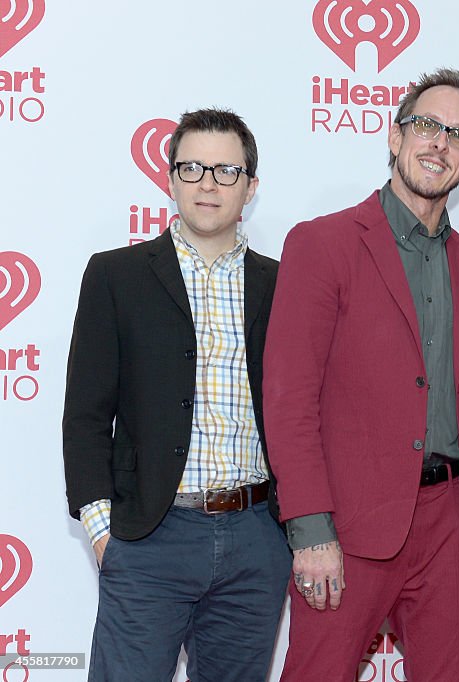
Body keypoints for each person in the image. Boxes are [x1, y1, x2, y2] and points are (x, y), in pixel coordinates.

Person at [263, 68, 459, 681]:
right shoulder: (322, 245)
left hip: (452, 526)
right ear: (395, 138)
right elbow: (290, 400)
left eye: (458, 136)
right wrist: (310, 528)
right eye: (426, 125)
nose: (439, 143)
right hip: (346, 523)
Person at [62, 108, 290, 681]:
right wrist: (102, 531)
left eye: (226, 171)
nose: (208, 184)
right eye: (192, 168)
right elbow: (86, 414)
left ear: (251, 187)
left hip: (257, 537)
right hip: (148, 537)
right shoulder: (116, 275)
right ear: (169, 180)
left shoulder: (284, 283)